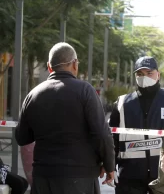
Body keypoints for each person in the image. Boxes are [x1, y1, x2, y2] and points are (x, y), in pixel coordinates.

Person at [15, 42, 115, 194]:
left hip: (43, 177)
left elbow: (22, 137)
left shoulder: (33, 95)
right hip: (79, 178)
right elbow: (101, 133)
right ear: (74, 64)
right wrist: (109, 165)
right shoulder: (85, 91)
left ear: (49, 67)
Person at [109, 56, 164, 194]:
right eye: (140, 74)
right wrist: (109, 166)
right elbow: (112, 140)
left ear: (158, 74)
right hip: (130, 178)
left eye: (149, 73)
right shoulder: (122, 104)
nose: (144, 77)